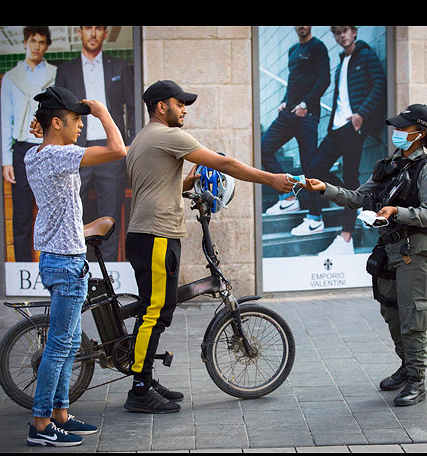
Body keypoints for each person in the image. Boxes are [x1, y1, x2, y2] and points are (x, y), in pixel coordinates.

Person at [124, 80, 293, 414]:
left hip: (147, 234)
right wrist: (271, 179)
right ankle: (139, 390)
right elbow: (224, 164)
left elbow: (156, 184)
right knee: (154, 313)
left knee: (155, 310)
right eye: (180, 103)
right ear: (162, 106)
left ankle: (145, 375)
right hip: (156, 235)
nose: (185, 108)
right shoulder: (170, 136)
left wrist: (186, 183)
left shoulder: (143, 138)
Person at [305, 104, 427, 406]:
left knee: (413, 316)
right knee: (391, 311)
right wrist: (325, 189)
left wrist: (397, 211)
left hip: (418, 251)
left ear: (420, 133)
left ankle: (416, 379)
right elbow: (358, 197)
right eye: (396, 128)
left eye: (403, 128)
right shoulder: (393, 163)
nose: (396, 133)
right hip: (391, 248)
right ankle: (407, 365)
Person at [24, 86, 127, 446]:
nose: (81, 125)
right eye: (76, 120)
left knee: (67, 345)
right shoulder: (58, 156)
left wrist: (46, 127)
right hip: (65, 263)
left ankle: (61, 415)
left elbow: (44, 138)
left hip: (63, 258)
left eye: (84, 119)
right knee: (59, 345)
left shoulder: (34, 156)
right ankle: (40, 425)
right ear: (57, 122)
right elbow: (118, 150)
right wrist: (102, 112)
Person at [291, 26, 386, 258]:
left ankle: (346, 237)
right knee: (314, 168)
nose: (341, 36)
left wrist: (361, 115)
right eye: (337, 33)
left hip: (353, 127)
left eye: (345, 31)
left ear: (354, 32)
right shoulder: (342, 60)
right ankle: (356, 199)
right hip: (336, 127)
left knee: (351, 177)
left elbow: (379, 86)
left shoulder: (365, 55)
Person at [55, 26, 135, 261]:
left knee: (109, 214)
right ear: (79, 32)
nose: (93, 33)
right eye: (88, 28)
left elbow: (131, 108)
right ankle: (76, 265)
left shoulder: (119, 66)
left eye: (98, 28)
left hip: (111, 151)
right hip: (76, 150)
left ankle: (109, 271)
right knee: (71, 211)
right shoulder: (66, 70)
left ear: (105, 33)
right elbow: (58, 111)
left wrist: (129, 144)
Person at [1, 26, 57, 262]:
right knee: (22, 213)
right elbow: (6, 119)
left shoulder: (55, 74)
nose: (36, 46)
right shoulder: (12, 77)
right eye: (33, 41)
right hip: (23, 148)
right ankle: (21, 267)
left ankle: (54, 264)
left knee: (53, 211)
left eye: (42, 42)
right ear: (25, 42)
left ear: (46, 45)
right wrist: (6, 160)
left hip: (50, 148)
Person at [262, 26, 330, 215]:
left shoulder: (318, 47)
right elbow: (294, 81)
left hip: (306, 116)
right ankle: (289, 197)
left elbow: (324, 79)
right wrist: (284, 101)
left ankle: (315, 218)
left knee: (310, 167)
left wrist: (306, 104)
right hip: (288, 114)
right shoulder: (293, 50)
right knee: (264, 149)